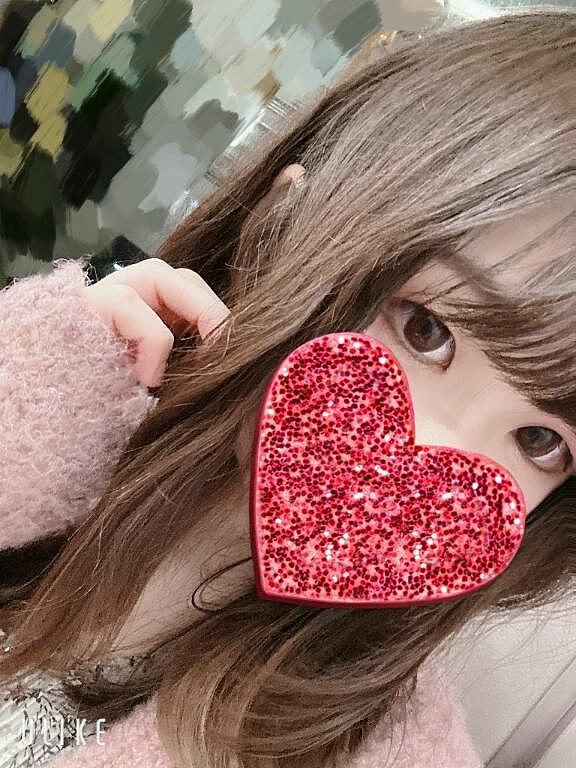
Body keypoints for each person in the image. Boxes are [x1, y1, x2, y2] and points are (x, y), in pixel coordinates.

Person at [1, 7, 575, 768]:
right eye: (425, 330)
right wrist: (31, 378)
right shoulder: (46, 389)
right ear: (279, 229)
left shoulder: (395, 754)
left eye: (541, 441)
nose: (438, 455)